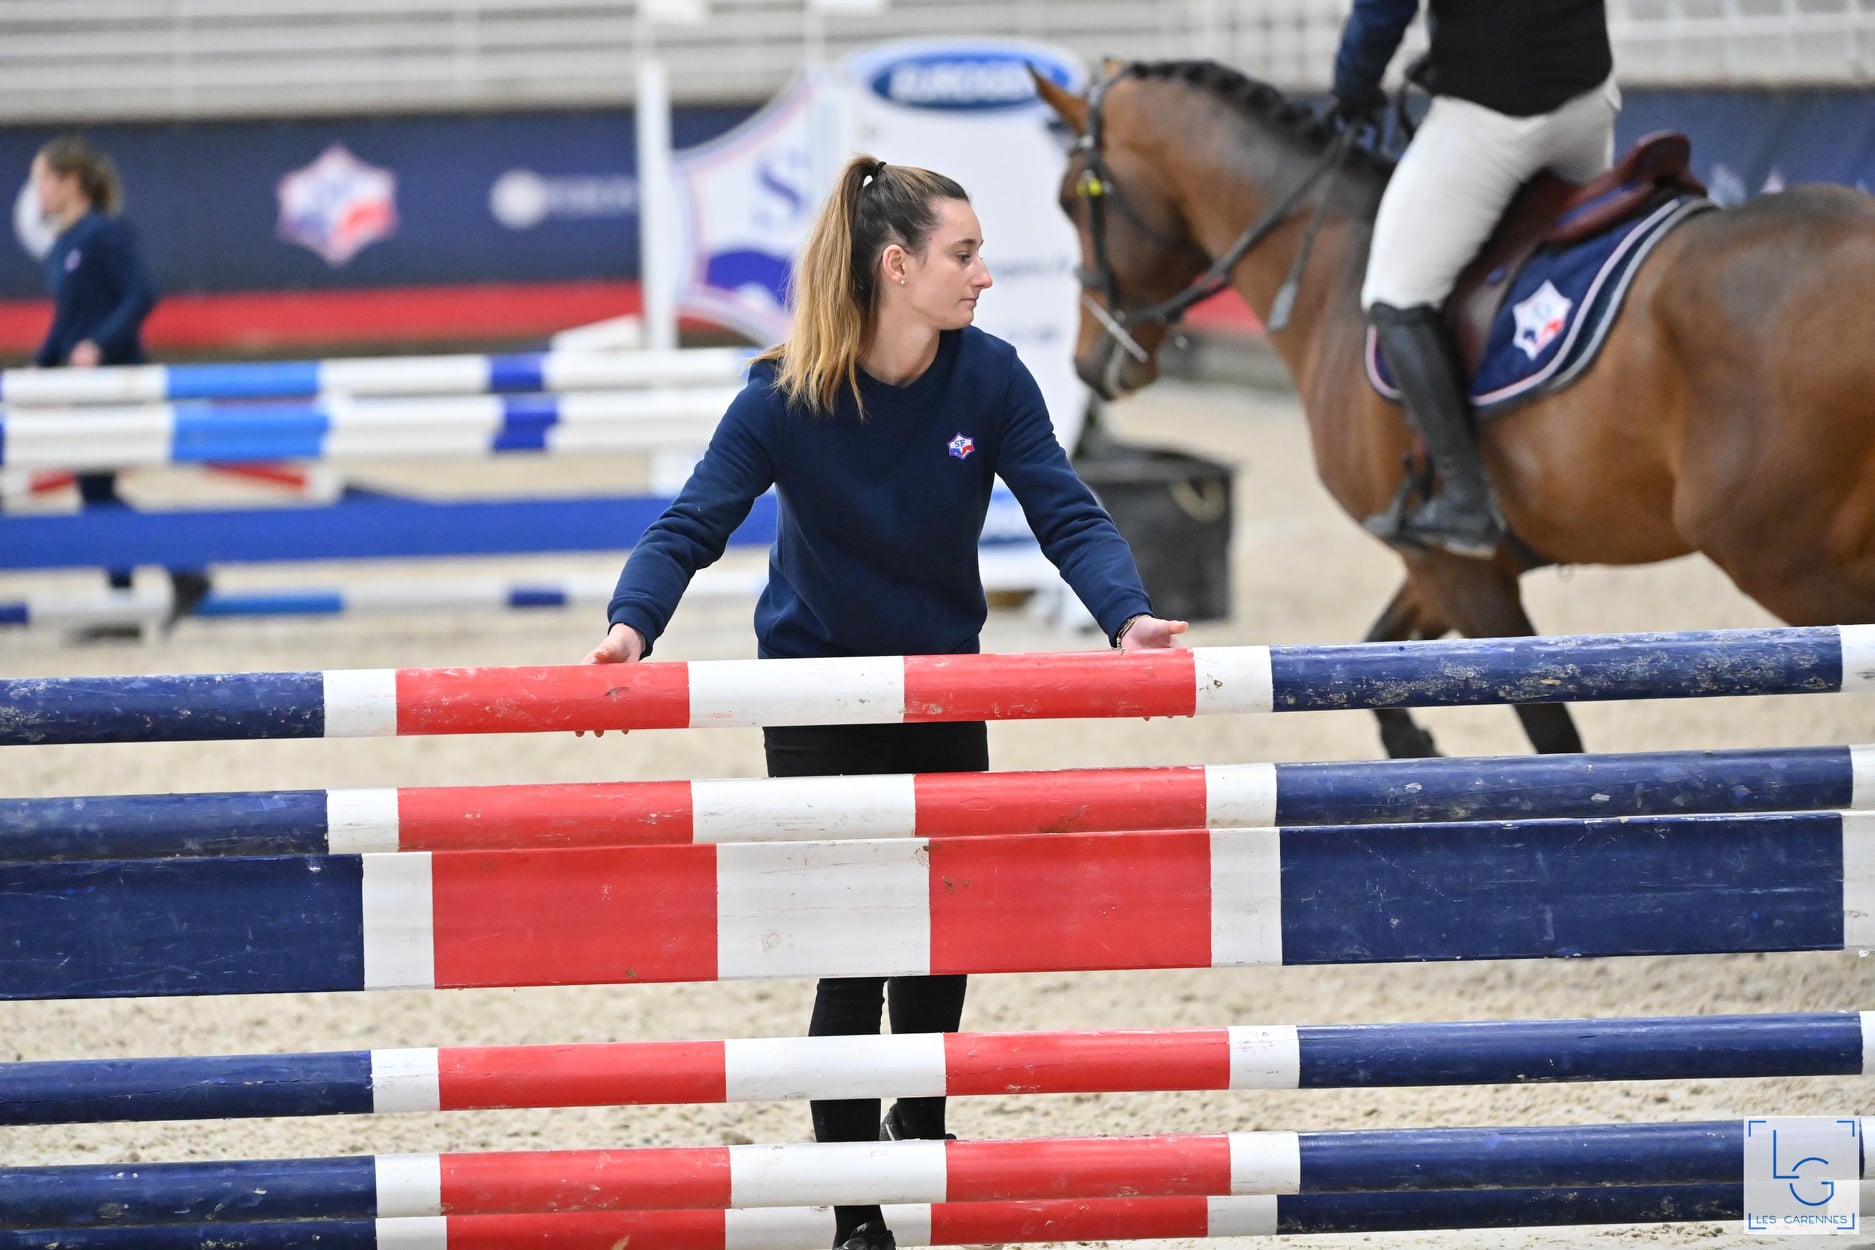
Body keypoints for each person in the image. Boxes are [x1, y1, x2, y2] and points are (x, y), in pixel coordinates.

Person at [584, 153, 1187, 1250]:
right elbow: (690, 524)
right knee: (854, 945)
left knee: (946, 927)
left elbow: (1066, 510)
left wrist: (1127, 617)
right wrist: (633, 626)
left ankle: (924, 1119)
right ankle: (856, 1205)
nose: (985, 274)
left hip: (939, 681)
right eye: (965, 254)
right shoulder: (782, 394)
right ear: (897, 266)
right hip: (816, 691)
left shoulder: (991, 377)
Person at [1332, 0, 1619, 558]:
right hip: (1589, 101)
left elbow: (1382, 11)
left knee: (1395, 294)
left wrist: (1353, 85)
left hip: (1497, 117)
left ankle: (1466, 499)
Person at [30, 134, 208, 627]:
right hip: (83, 388)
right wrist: (39, 370)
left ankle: (166, 579)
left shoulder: (103, 234)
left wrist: (99, 344)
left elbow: (142, 293)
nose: (37, 191)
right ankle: (137, 595)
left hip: (115, 383)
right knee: (95, 492)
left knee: (96, 491)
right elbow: (67, 320)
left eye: (43, 180)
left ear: (71, 182)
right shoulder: (62, 244)